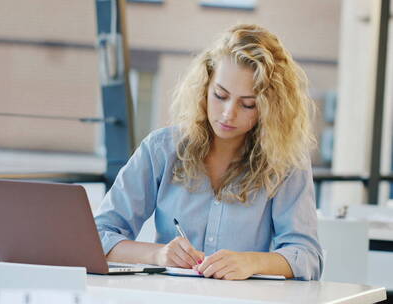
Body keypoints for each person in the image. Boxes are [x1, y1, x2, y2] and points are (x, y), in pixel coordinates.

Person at [94, 24, 323, 281]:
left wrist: (251, 262)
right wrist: (158, 255)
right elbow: (98, 236)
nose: (228, 114)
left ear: (270, 109)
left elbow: (307, 257)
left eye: (248, 104)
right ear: (205, 87)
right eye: (220, 95)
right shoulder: (161, 149)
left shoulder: (285, 161)